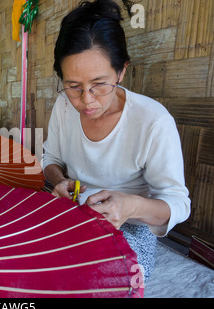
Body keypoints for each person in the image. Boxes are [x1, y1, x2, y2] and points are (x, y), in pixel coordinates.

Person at [42, 0, 191, 281]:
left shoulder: (153, 121)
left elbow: (178, 205)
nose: (86, 100)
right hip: (72, 212)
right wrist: (59, 180)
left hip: (130, 227)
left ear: (121, 71)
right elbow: (50, 159)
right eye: (73, 86)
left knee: (103, 280)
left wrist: (131, 206)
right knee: (24, 261)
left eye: (99, 84)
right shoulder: (63, 106)